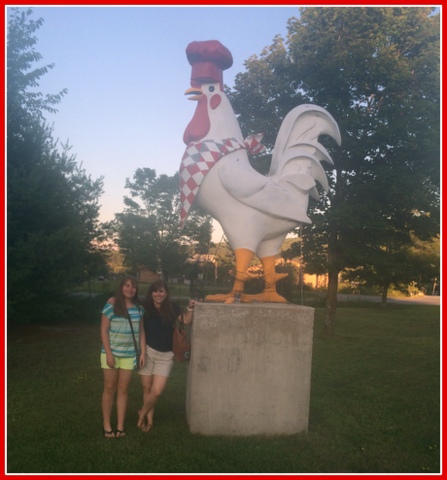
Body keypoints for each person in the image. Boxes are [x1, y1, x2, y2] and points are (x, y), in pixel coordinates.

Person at [137, 280, 195, 432]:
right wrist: (113, 299)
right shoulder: (144, 307)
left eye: (161, 291)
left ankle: (142, 413)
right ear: (151, 293)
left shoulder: (172, 307)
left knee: (156, 391)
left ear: (166, 293)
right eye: (155, 291)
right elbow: (127, 302)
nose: (158, 294)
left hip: (166, 355)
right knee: (147, 389)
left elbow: (186, 320)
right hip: (147, 353)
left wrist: (190, 307)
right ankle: (149, 421)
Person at [100, 275, 146, 438]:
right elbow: (104, 330)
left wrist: (143, 352)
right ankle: (107, 425)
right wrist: (109, 354)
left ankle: (120, 426)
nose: (130, 289)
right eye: (126, 285)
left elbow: (141, 332)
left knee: (123, 389)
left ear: (136, 289)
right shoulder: (111, 305)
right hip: (111, 354)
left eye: (133, 286)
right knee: (109, 388)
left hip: (129, 355)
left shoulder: (139, 309)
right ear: (121, 288)